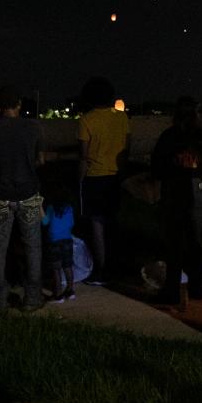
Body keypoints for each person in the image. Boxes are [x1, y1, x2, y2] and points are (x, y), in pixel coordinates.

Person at [0, 85, 46, 312]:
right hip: (28, 194)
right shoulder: (33, 128)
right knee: (32, 247)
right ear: (19, 104)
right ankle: (32, 298)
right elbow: (41, 160)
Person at [149, 96, 202, 306]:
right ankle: (197, 287)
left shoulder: (169, 136)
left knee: (174, 242)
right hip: (196, 188)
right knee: (195, 240)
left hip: (174, 189)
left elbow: (156, 167)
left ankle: (172, 290)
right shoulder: (200, 137)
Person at [77, 77, 130, 285]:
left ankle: (101, 270)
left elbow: (83, 156)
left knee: (97, 225)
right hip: (116, 176)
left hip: (95, 177)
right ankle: (116, 266)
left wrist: (78, 181)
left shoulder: (86, 120)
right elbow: (127, 149)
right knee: (113, 222)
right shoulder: (122, 118)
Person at [41, 183, 76, 302]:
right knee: (67, 266)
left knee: (56, 269)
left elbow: (45, 222)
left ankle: (58, 294)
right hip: (67, 240)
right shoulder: (69, 207)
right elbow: (72, 223)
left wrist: (40, 208)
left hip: (54, 242)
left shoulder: (51, 208)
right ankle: (70, 290)